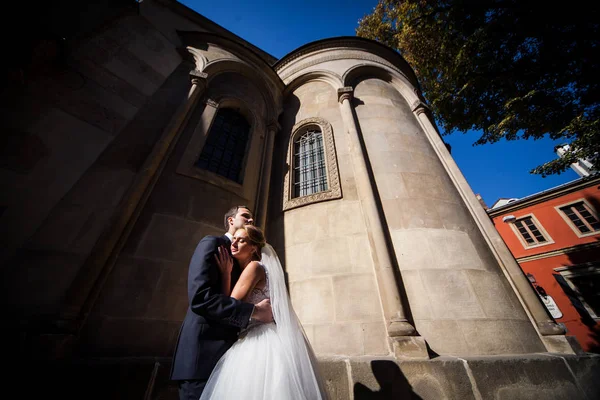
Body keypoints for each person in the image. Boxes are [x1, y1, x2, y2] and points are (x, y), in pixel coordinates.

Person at [200, 224, 329, 400]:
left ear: (253, 247)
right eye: (234, 239)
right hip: (270, 335)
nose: (234, 243)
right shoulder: (263, 268)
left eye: (242, 240)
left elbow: (231, 305)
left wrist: (226, 275)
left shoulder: (253, 267)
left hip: (257, 341)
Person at [170, 206, 274, 400]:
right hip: (203, 353)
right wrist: (253, 311)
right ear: (230, 221)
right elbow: (201, 298)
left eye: (252, 218)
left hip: (233, 357)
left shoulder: (248, 262)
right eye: (245, 216)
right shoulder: (212, 243)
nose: (251, 220)